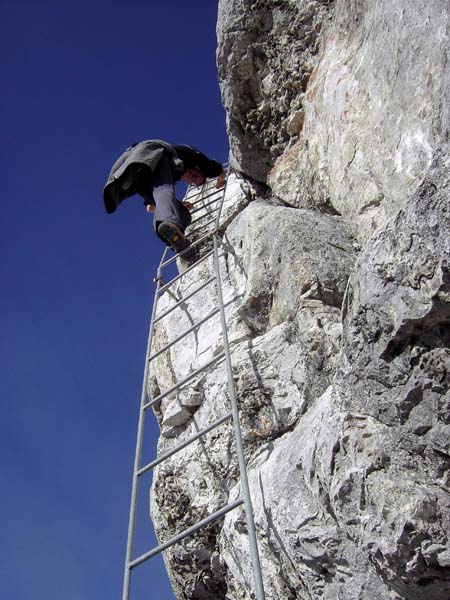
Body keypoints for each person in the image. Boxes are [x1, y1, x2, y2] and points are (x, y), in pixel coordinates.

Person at [103, 139, 225, 255]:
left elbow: (150, 207)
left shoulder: (172, 173)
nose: (192, 178)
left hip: (130, 171)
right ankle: (168, 224)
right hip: (150, 154)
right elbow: (212, 166)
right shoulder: (186, 155)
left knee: (183, 214)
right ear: (197, 168)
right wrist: (220, 179)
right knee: (164, 189)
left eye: (193, 182)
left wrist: (177, 205)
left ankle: (175, 238)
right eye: (196, 176)